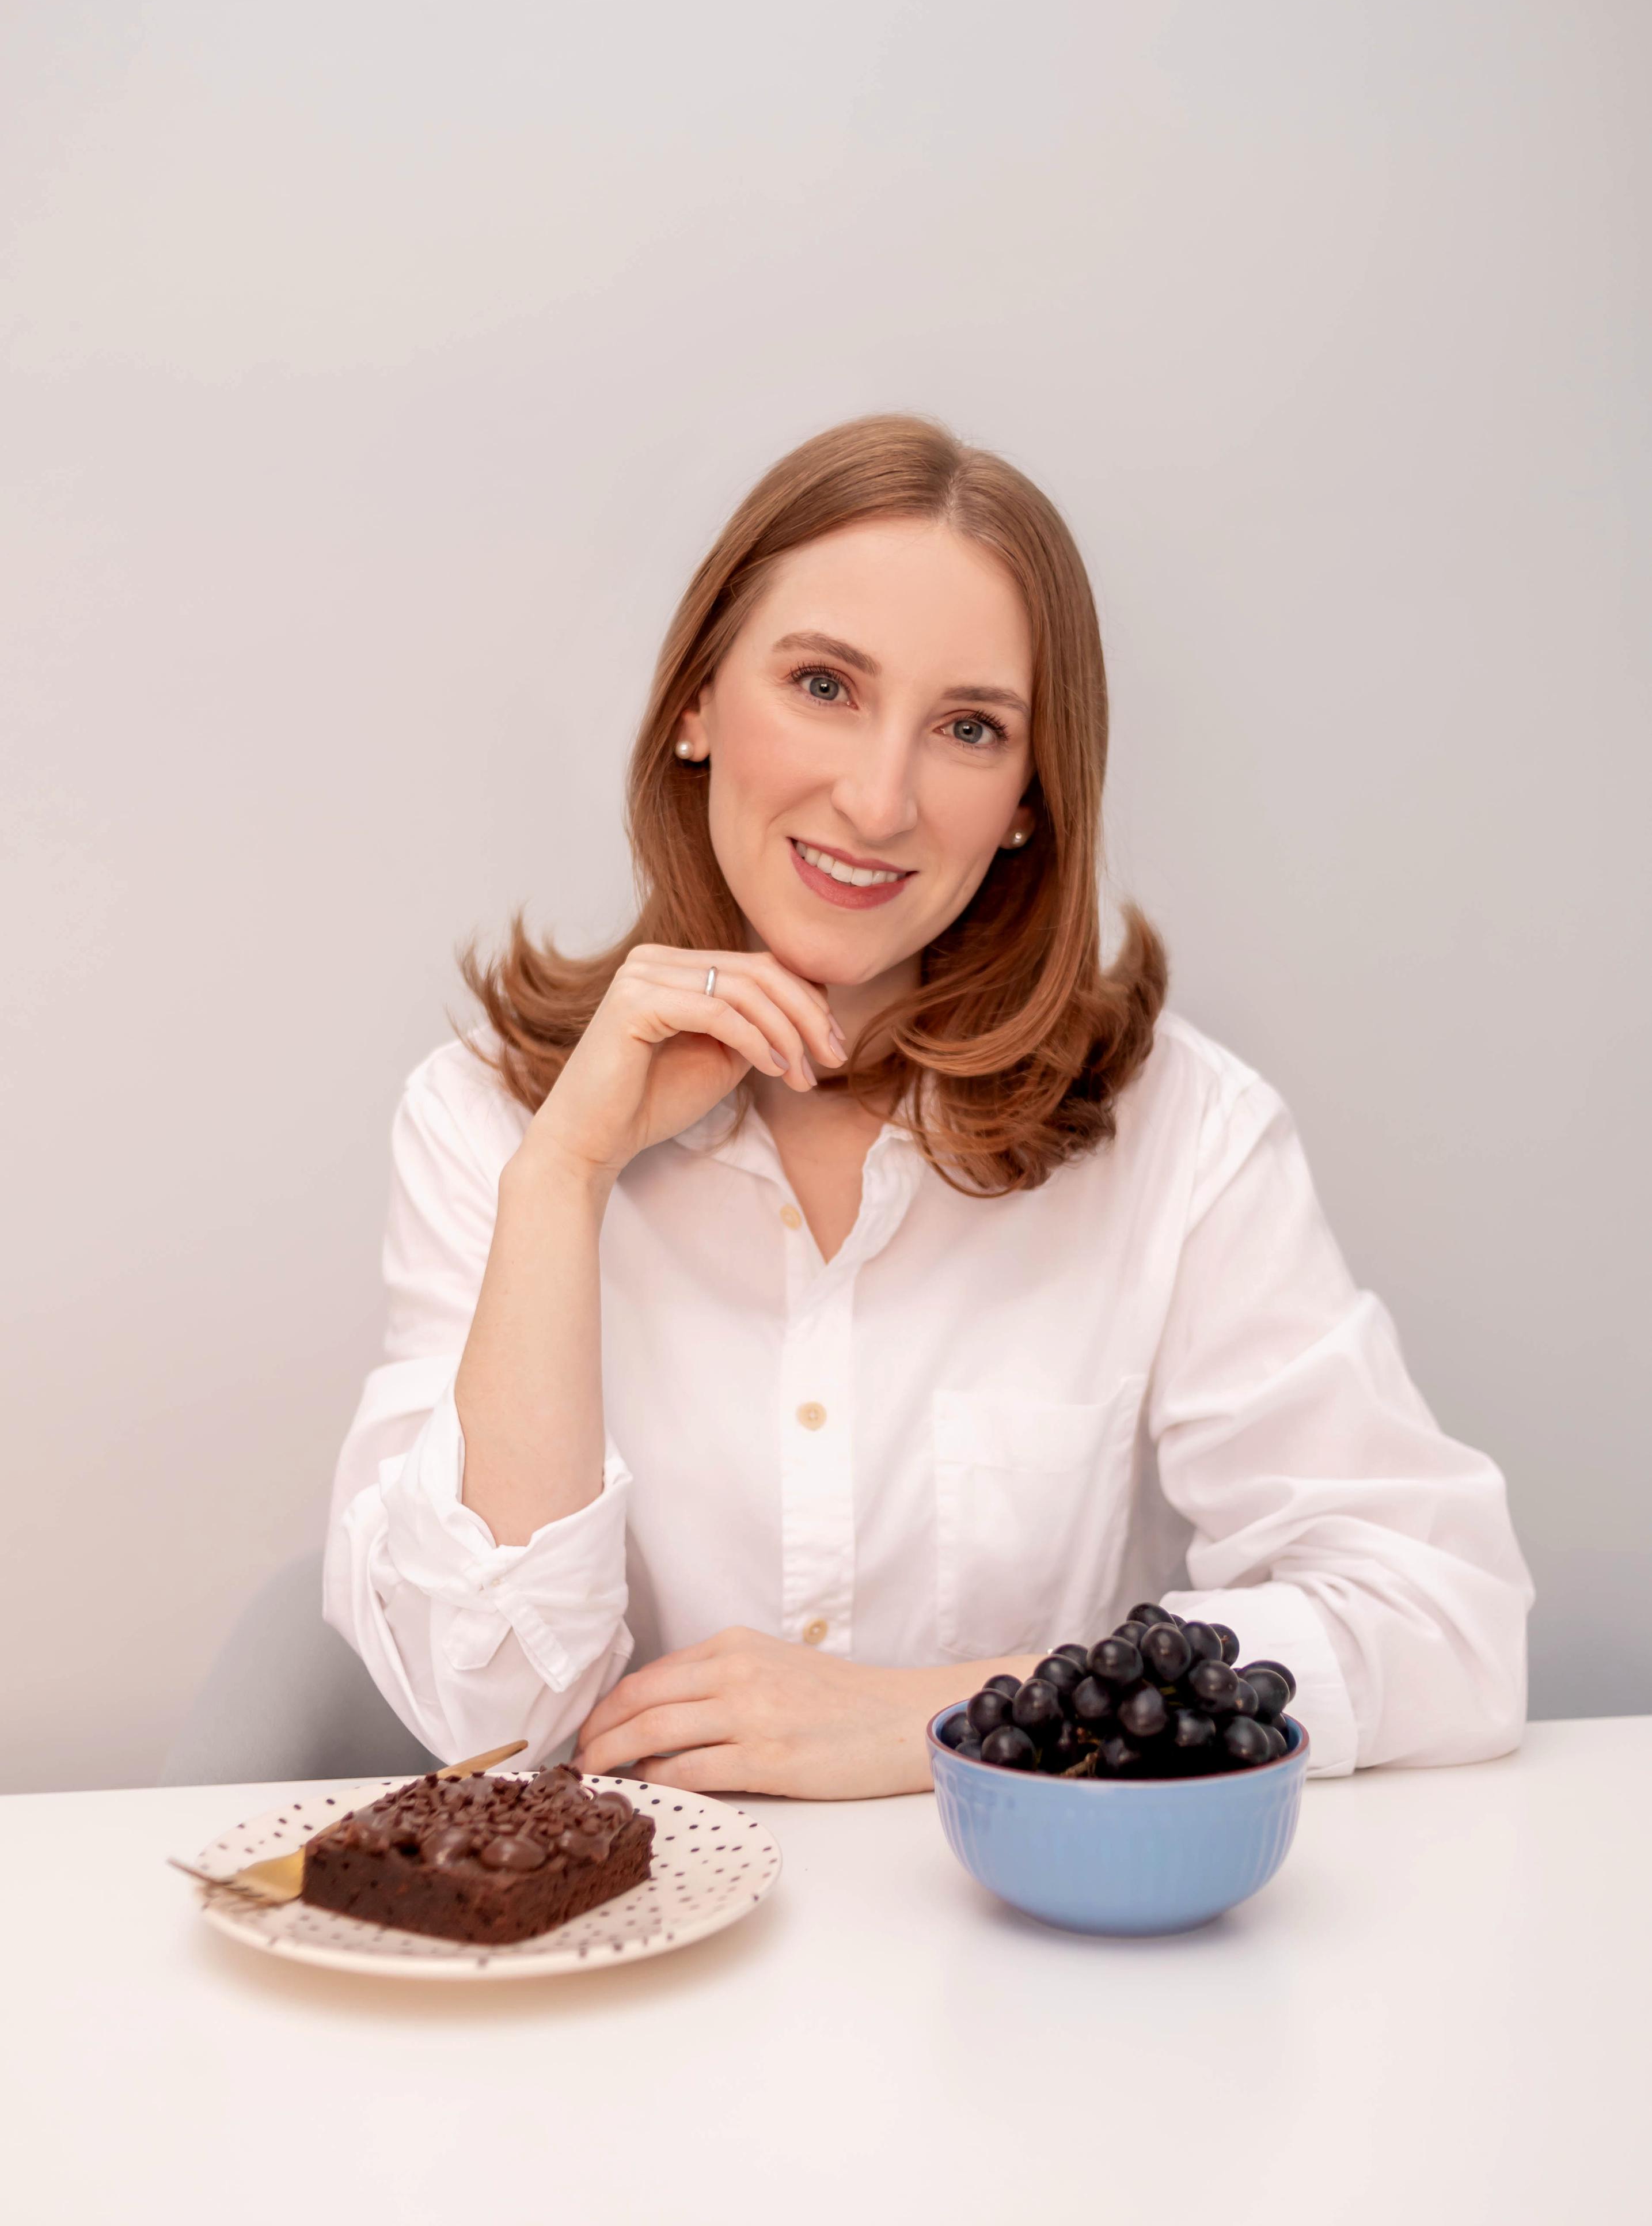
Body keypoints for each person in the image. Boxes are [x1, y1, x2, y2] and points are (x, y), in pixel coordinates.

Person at [325, 414, 1531, 1796]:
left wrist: (949, 1717)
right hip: (626, 1977)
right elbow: (490, 1720)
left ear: (1026, 799)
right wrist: (564, 1175)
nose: (878, 797)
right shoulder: (489, 1120)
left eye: (967, 728)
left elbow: (1445, 1623)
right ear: (697, 704)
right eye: (823, 684)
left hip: (1029, 1967)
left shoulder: (1178, 1133)